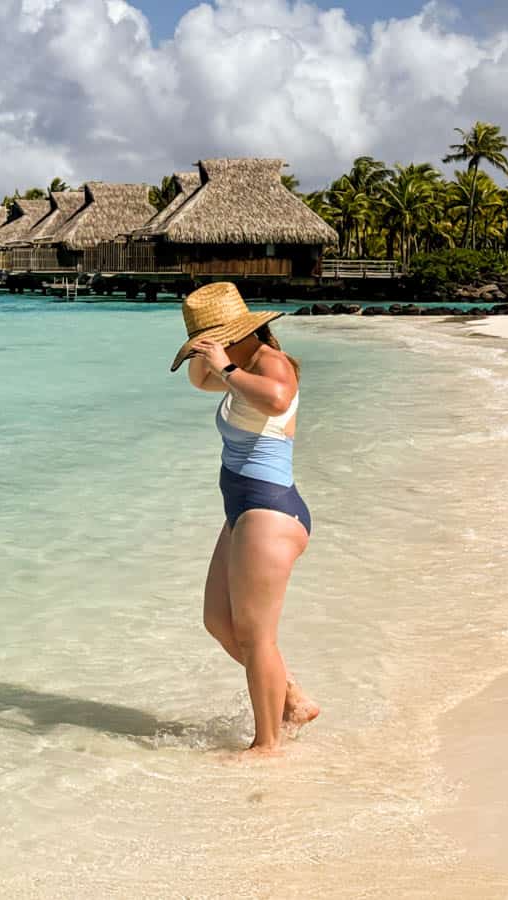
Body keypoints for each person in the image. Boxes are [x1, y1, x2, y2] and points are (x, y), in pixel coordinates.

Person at [170, 282, 319, 757]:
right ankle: (293, 699)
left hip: (270, 509)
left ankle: (267, 745)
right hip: (242, 510)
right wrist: (205, 354)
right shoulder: (238, 367)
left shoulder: (271, 364)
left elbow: (277, 398)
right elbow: (198, 380)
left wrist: (227, 365)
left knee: (256, 636)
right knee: (219, 620)